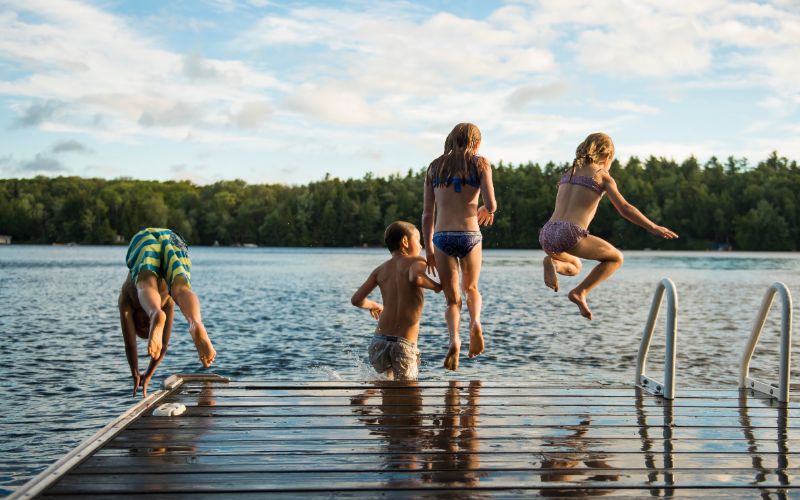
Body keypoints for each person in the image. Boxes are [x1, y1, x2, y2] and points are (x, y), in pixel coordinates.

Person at [539, 132, 678, 320]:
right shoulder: (601, 175)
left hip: (547, 231)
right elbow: (625, 208)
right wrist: (652, 226)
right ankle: (580, 292)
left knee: (576, 266)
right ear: (606, 155)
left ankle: (554, 264)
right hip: (570, 231)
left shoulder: (568, 173)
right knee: (616, 258)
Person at [422, 123, 497, 371]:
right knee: (471, 288)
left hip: (442, 236)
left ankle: (454, 339)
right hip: (470, 234)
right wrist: (486, 210)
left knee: (452, 300)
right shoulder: (481, 163)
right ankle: (475, 323)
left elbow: (426, 214)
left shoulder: (434, 166)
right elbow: (492, 204)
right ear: (476, 142)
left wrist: (429, 250)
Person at [119, 227, 216, 397]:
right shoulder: (167, 303)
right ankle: (195, 322)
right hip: (172, 238)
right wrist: (148, 374)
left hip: (144, 239)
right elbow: (162, 346)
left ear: (133, 319)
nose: (147, 323)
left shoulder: (126, 300)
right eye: (150, 324)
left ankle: (156, 312)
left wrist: (135, 371)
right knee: (181, 288)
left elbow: (130, 345)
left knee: (145, 284)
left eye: (144, 324)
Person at [351, 221, 441, 381]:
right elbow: (415, 277)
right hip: (403, 344)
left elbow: (356, 299)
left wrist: (375, 305)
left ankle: (370, 392)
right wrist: (436, 286)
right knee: (410, 399)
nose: (421, 246)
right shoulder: (416, 261)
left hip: (378, 343)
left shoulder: (379, 270)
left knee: (388, 387)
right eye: (418, 241)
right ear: (405, 242)